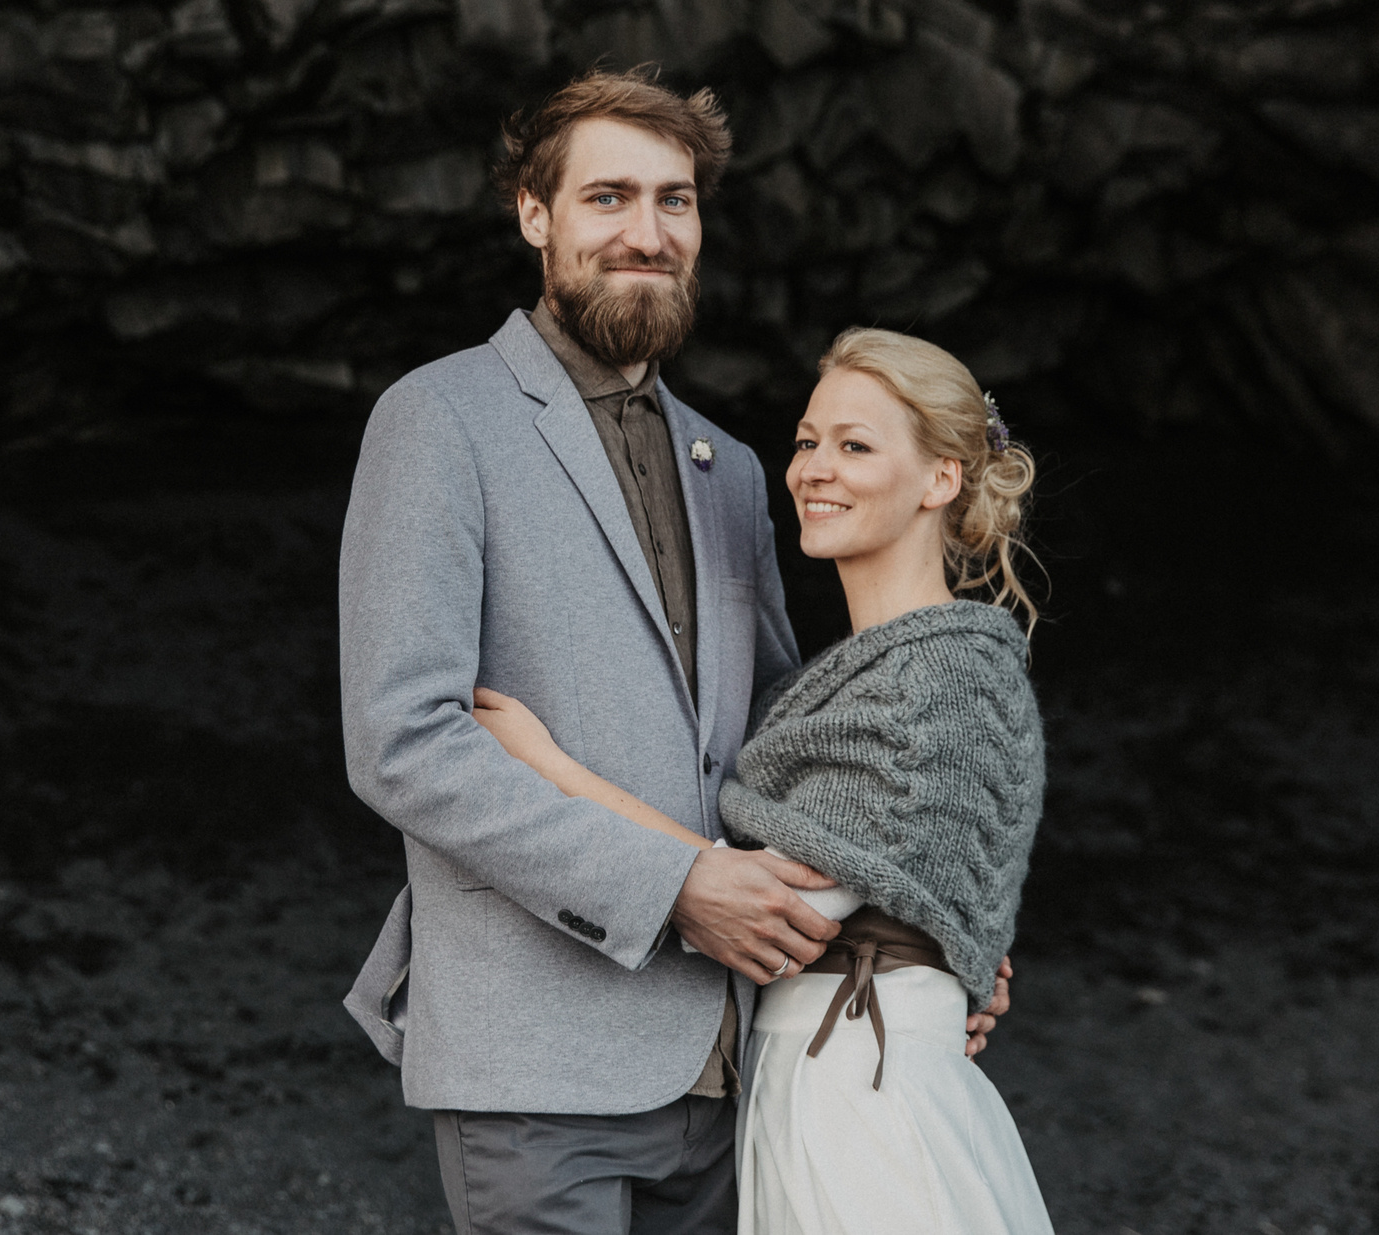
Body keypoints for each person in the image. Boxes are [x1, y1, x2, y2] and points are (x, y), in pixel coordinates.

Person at [339, 73, 1009, 1235]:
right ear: (534, 215)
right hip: (540, 1067)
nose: (646, 233)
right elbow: (404, 744)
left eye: (674, 201)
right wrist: (675, 887)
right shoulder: (438, 419)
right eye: (607, 197)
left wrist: (928, 933)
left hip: (736, 1066)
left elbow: (785, 765)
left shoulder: (734, 470)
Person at [472, 328, 1054, 1235]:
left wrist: (549, 768)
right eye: (807, 440)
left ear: (941, 478)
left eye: (855, 446)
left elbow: (778, 911)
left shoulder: (939, 677)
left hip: (863, 1102)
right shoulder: (846, 680)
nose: (814, 468)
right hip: (811, 1083)